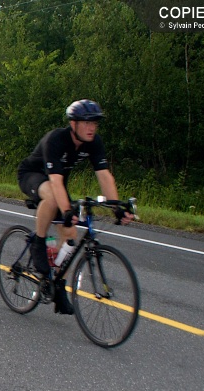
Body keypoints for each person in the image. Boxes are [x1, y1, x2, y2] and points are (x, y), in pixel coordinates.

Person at [17, 99, 133, 313]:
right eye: (87, 123)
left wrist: (116, 206)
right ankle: (39, 242)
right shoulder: (56, 139)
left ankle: (58, 284)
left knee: (70, 236)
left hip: (58, 182)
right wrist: (67, 210)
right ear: (73, 124)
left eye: (95, 123)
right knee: (53, 199)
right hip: (33, 175)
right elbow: (55, 181)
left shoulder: (93, 142)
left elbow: (104, 175)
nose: (92, 128)